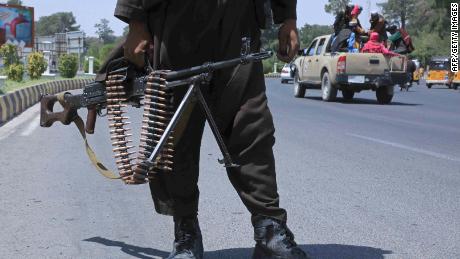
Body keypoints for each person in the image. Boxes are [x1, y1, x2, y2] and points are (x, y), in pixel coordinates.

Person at [112, 1, 309, 259]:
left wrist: (288, 17)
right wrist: (136, 21)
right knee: (176, 135)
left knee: (251, 127)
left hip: (238, 21)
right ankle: (186, 232)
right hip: (177, 24)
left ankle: (269, 228)